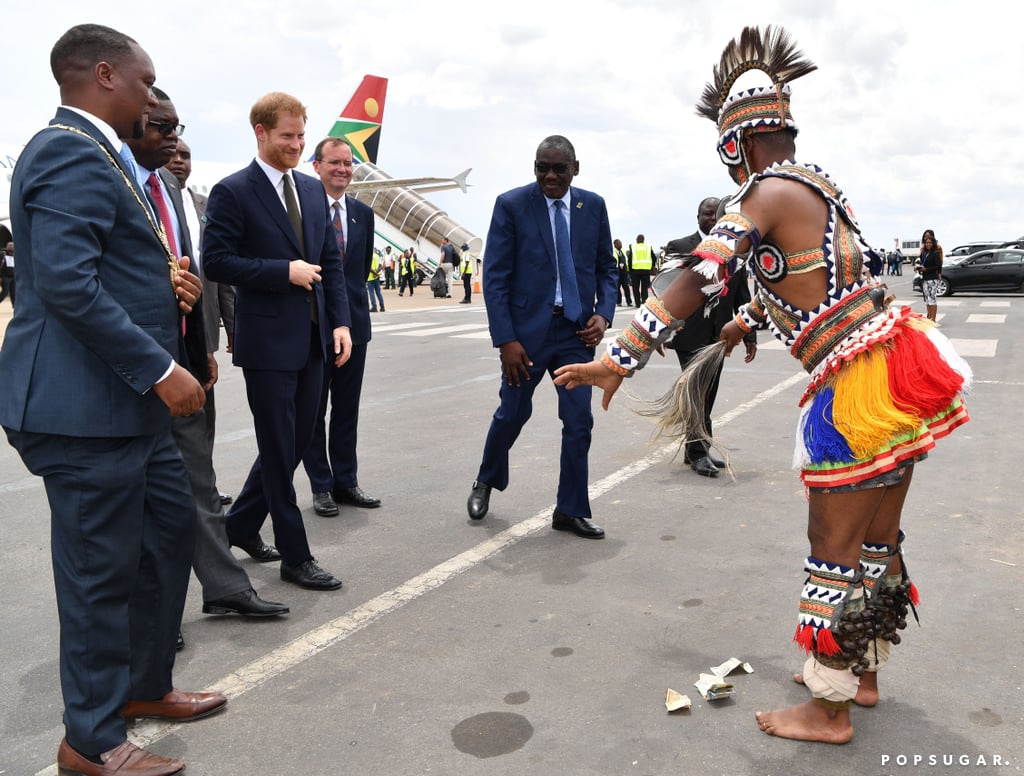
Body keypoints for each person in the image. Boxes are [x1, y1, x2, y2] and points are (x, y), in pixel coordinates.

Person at [554, 25, 970, 744]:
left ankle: (829, 707)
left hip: (858, 388)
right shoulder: (817, 187)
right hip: (896, 367)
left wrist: (620, 355)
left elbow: (699, 272)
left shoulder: (762, 194)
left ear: (735, 143)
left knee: (831, 547)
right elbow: (819, 281)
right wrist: (750, 318)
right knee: (878, 541)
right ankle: (863, 674)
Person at [0, 24, 227, 775]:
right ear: (104, 76)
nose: (151, 95)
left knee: (167, 537)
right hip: (85, 408)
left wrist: (167, 289)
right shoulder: (68, 148)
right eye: (144, 80)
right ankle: (91, 741)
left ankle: (143, 684)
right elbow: (66, 282)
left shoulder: (108, 156)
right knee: (100, 573)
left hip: (125, 406)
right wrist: (161, 367)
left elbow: (106, 265)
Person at [132, 90, 288, 621]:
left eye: (180, 131)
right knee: (140, 498)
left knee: (199, 482)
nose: (175, 143)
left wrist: (204, 351)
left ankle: (223, 585)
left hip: (184, 357)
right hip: (133, 368)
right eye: (162, 128)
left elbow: (203, 275)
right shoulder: (120, 183)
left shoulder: (175, 194)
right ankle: (155, 615)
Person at [203, 92, 352, 592]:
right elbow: (217, 262)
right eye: (287, 135)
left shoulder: (311, 192)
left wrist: (340, 321)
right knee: (276, 444)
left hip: (313, 339)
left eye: (300, 135)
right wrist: (280, 271)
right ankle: (296, 555)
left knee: (289, 446)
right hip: (266, 342)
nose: (295, 144)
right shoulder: (234, 192)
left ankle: (240, 526)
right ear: (261, 133)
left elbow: (329, 261)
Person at [466, 135, 617, 539]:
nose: (549, 176)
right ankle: (486, 479)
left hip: (575, 333)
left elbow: (607, 269)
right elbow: (494, 278)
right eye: (542, 168)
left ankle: (570, 509)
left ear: (575, 168)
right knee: (513, 413)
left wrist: (603, 315)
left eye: (559, 169)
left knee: (578, 421)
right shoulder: (512, 205)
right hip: (526, 337)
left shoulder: (593, 206)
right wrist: (506, 341)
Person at [301, 137, 382, 517]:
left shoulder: (362, 214)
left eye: (348, 164)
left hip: (355, 324)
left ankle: (346, 481)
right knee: (313, 410)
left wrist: (350, 319)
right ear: (316, 165)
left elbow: (359, 270)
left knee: (347, 408)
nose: (343, 170)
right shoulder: (303, 209)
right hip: (315, 327)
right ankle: (321, 486)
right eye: (335, 163)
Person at [663, 195, 757, 477]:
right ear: (698, 217)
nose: (711, 219)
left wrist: (749, 336)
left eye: (715, 215)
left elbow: (742, 294)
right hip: (687, 332)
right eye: (706, 214)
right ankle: (697, 452)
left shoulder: (734, 251)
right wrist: (659, 332)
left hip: (719, 335)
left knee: (709, 390)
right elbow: (664, 290)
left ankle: (697, 447)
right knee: (697, 389)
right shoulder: (680, 247)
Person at [166, 137, 237, 506]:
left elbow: (219, 272)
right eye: (174, 153)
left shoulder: (203, 206)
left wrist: (232, 327)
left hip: (202, 327)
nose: (179, 161)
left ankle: (204, 484)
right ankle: (181, 489)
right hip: (162, 329)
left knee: (204, 411)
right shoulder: (148, 201)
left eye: (186, 155)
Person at [919, 229, 943, 321]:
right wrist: (918, 267)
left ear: (933, 243)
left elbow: (938, 265)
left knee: (932, 299)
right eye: (926, 242)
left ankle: (933, 319)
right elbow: (921, 262)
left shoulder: (935, 253)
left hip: (932, 278)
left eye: (930, 242)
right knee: (927, 299)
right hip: (925, 278)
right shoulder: (924, 252)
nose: (928, 244)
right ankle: (929, 317)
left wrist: (927, 269)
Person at [627, 233, 654, 305]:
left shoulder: (633, 247)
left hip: (635, 271)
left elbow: (629, 260)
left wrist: (630, 270)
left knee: (635, 288)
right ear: (643, 240)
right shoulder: (648, 247)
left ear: (637, 240)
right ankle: (644, 302)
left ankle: (637, 303)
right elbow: (654, 257)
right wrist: (651, 267)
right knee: (644, 288)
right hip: (646, 270)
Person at [612, 238, 633, 307]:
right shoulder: (613, 251)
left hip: (624, 272)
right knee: (617, 288)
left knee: (626, 287)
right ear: (615, 245)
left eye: (621, 243)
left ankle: (629, 301)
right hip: (617, 271)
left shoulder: (623, 251)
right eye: (619, 243)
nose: (620, 245)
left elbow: (626, 260)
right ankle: (618, 301)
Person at [367, 248, 385, 312]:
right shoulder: (377, 256)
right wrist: (376, 273)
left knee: (371, 292)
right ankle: (382, 306)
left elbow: (368, 267)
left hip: (370, 277)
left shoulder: (368, 256)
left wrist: (374, 273)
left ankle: (374, 307)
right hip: (377, 277)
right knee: (378, 292)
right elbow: (380, 266)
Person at [0, 242, 14, 306]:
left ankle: (15, 308)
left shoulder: (15, 254)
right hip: (5, 277)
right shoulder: (3, 254)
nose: (11, 246)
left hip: (13, 277)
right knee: (5, 292)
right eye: (9, 245)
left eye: (12, 245)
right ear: (7, 246)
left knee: (14, 293)